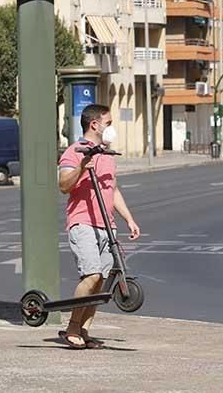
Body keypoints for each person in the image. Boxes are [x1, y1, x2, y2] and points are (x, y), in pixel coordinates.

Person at [57, 103, 140, 349]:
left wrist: (129, 219)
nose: (111, 128)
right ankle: (72, 326)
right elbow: (63, 185)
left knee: (101, 282)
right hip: (82, 222)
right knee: (91, 275)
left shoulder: (106, 154)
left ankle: (84, 330)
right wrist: (83, 166)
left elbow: (111, 190)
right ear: (95, 125)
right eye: (109, 123)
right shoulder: (74, 152)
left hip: (107, 225)